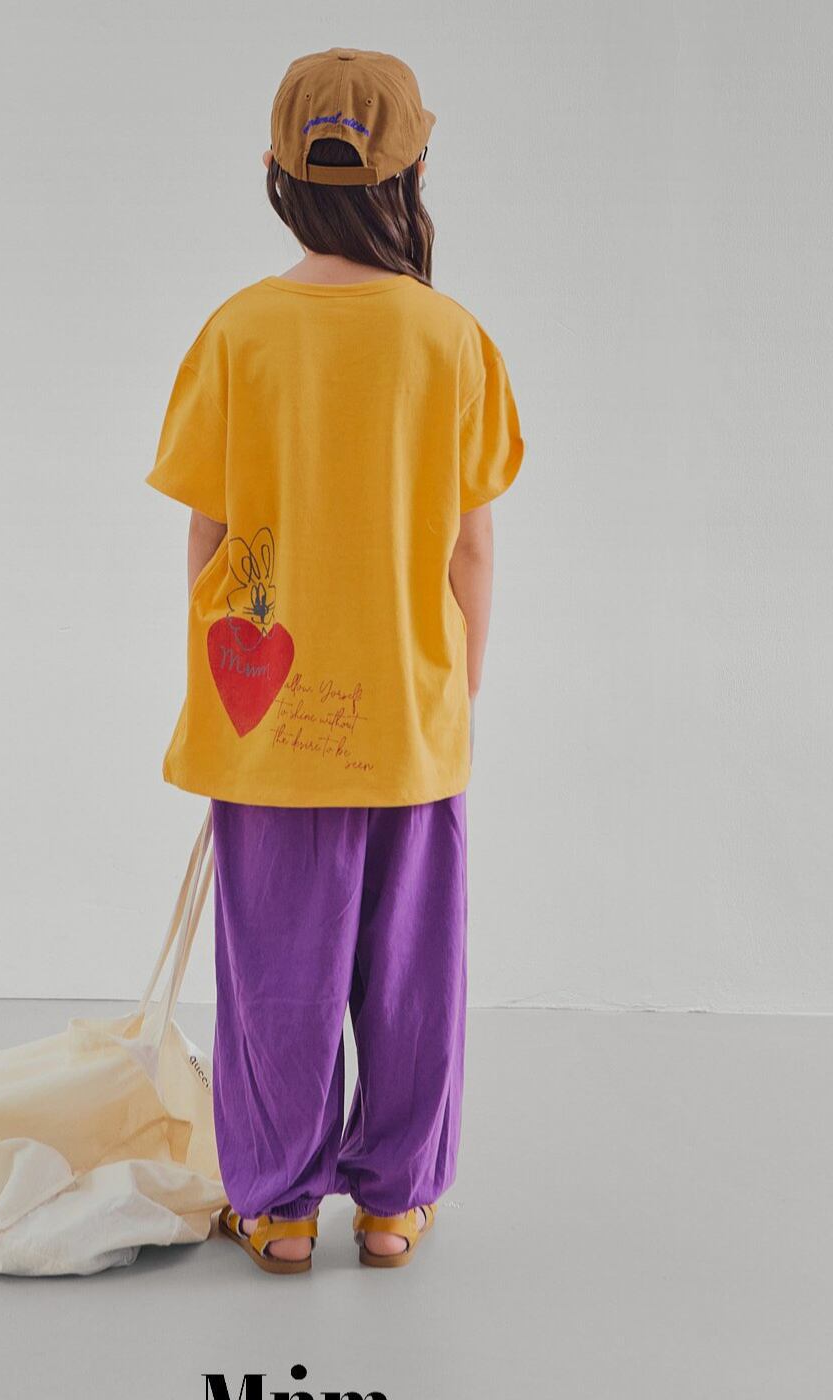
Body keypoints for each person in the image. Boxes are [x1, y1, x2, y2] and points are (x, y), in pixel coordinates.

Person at [144, 47, 523, 1274]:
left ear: (275, 168)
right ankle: (396, 1204)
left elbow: (208, 541)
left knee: (277, 976)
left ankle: (280, 1208)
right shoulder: (451, 339)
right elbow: (473, 549)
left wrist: (221, 684)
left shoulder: (237, 333)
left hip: (269, 721)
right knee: (411, 974)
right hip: (409, 718)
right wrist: (459, 689)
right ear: (414, 170)